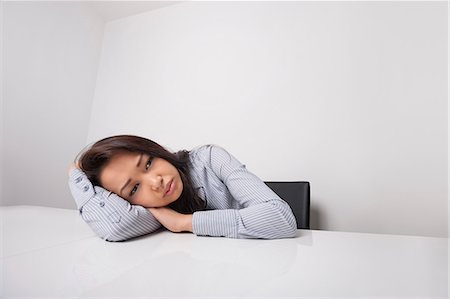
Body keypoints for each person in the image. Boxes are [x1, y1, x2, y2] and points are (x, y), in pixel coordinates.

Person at [68, 134, 297, 241]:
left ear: (155, 150)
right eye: (135, 188)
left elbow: (281, 218)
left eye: (148, 163)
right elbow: (115, 227)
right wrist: (74, 175)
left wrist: (183, 223)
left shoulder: (209, 158)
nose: (155, 182)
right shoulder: (149, 210)